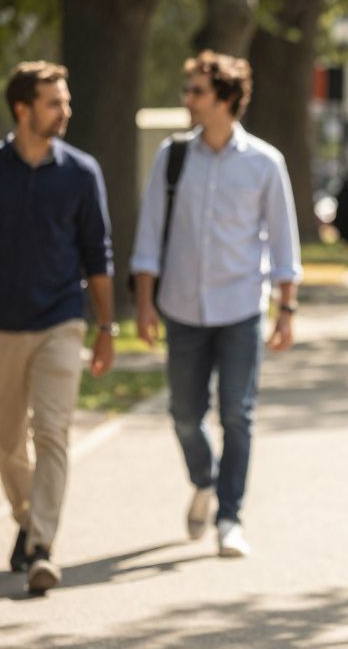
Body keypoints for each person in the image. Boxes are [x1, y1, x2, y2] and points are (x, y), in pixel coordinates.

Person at [0, 61, 115, 595]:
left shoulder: (82, 172)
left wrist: (106, 326)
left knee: (53, 431)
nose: (65, 111)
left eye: (65, 101)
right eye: (54, 102)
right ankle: (27, 517)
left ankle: (41, 544)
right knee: (8, 441)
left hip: (61, 321)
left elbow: (97, 255)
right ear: (23, 109)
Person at [131, 50, 301, 559]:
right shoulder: (172, 156)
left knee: (237, 415)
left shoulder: (264, 163)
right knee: (185, 414)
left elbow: (284, 246)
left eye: (196, 91)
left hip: (241, 309)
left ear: (226, 98)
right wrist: (143, 305)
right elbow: (147, 237)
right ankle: (204, 480)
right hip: (181, 308)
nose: (187, 100)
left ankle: (230, 517)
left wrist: (286, 310)